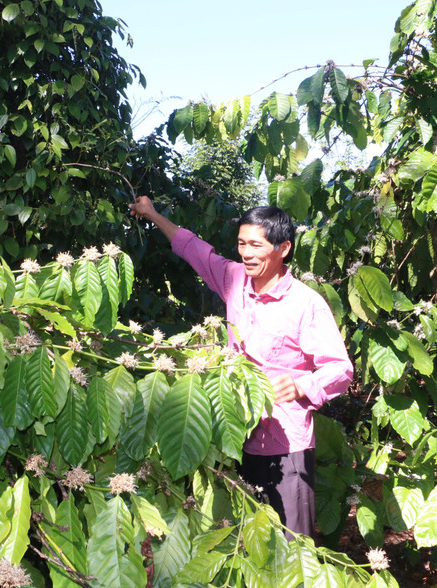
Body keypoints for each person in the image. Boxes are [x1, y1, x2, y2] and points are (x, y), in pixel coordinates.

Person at [129, 196, 353, 540]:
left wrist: (301, 385)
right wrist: (151, 213)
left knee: (293, 544)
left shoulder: (306, 304)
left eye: (256, 245)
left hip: (287, 445)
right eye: (241, 244)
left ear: (283, 248)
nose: (246, 253)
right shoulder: (235, 281)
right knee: (248, 542)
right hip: (237, 439)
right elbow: (194, 249)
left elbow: (339, 369)